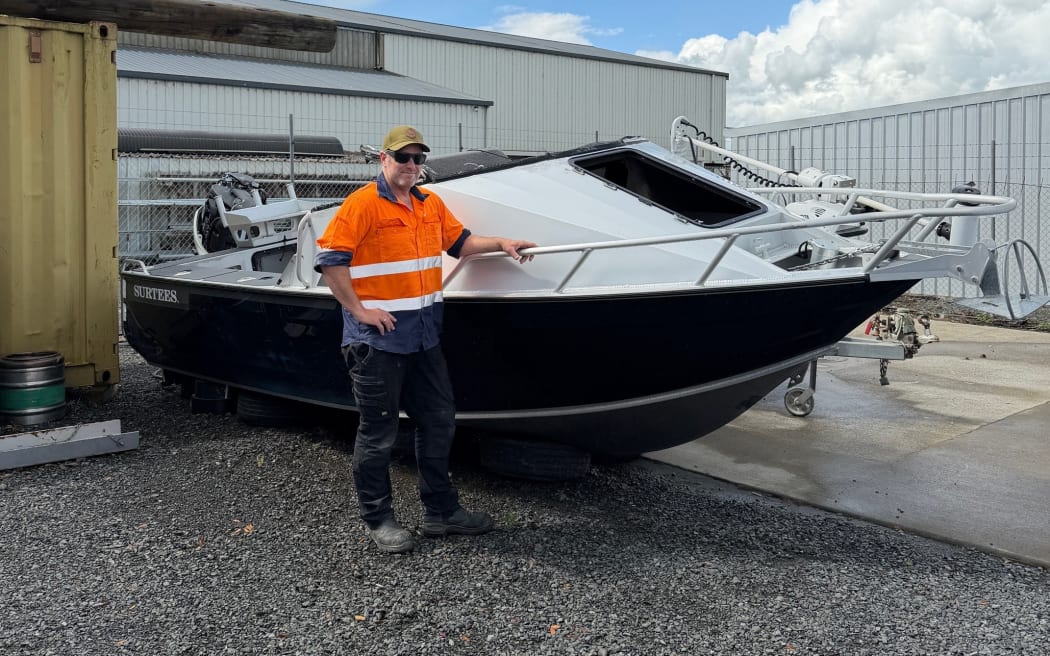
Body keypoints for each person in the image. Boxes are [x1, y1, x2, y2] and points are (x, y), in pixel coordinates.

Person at [315, 125, 536, 554]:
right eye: (403, 158)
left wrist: (503, 242)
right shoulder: (362, 205)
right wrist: (359, 311)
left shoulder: (428, 204)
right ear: (384, 159)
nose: (411, 166)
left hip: (422, 338)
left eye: (418, 159)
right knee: (378, 433)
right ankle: (379, 520)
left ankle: (442, 513)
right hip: (377, 343)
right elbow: (331, 262)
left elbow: (463, 243)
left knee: (437, 422)